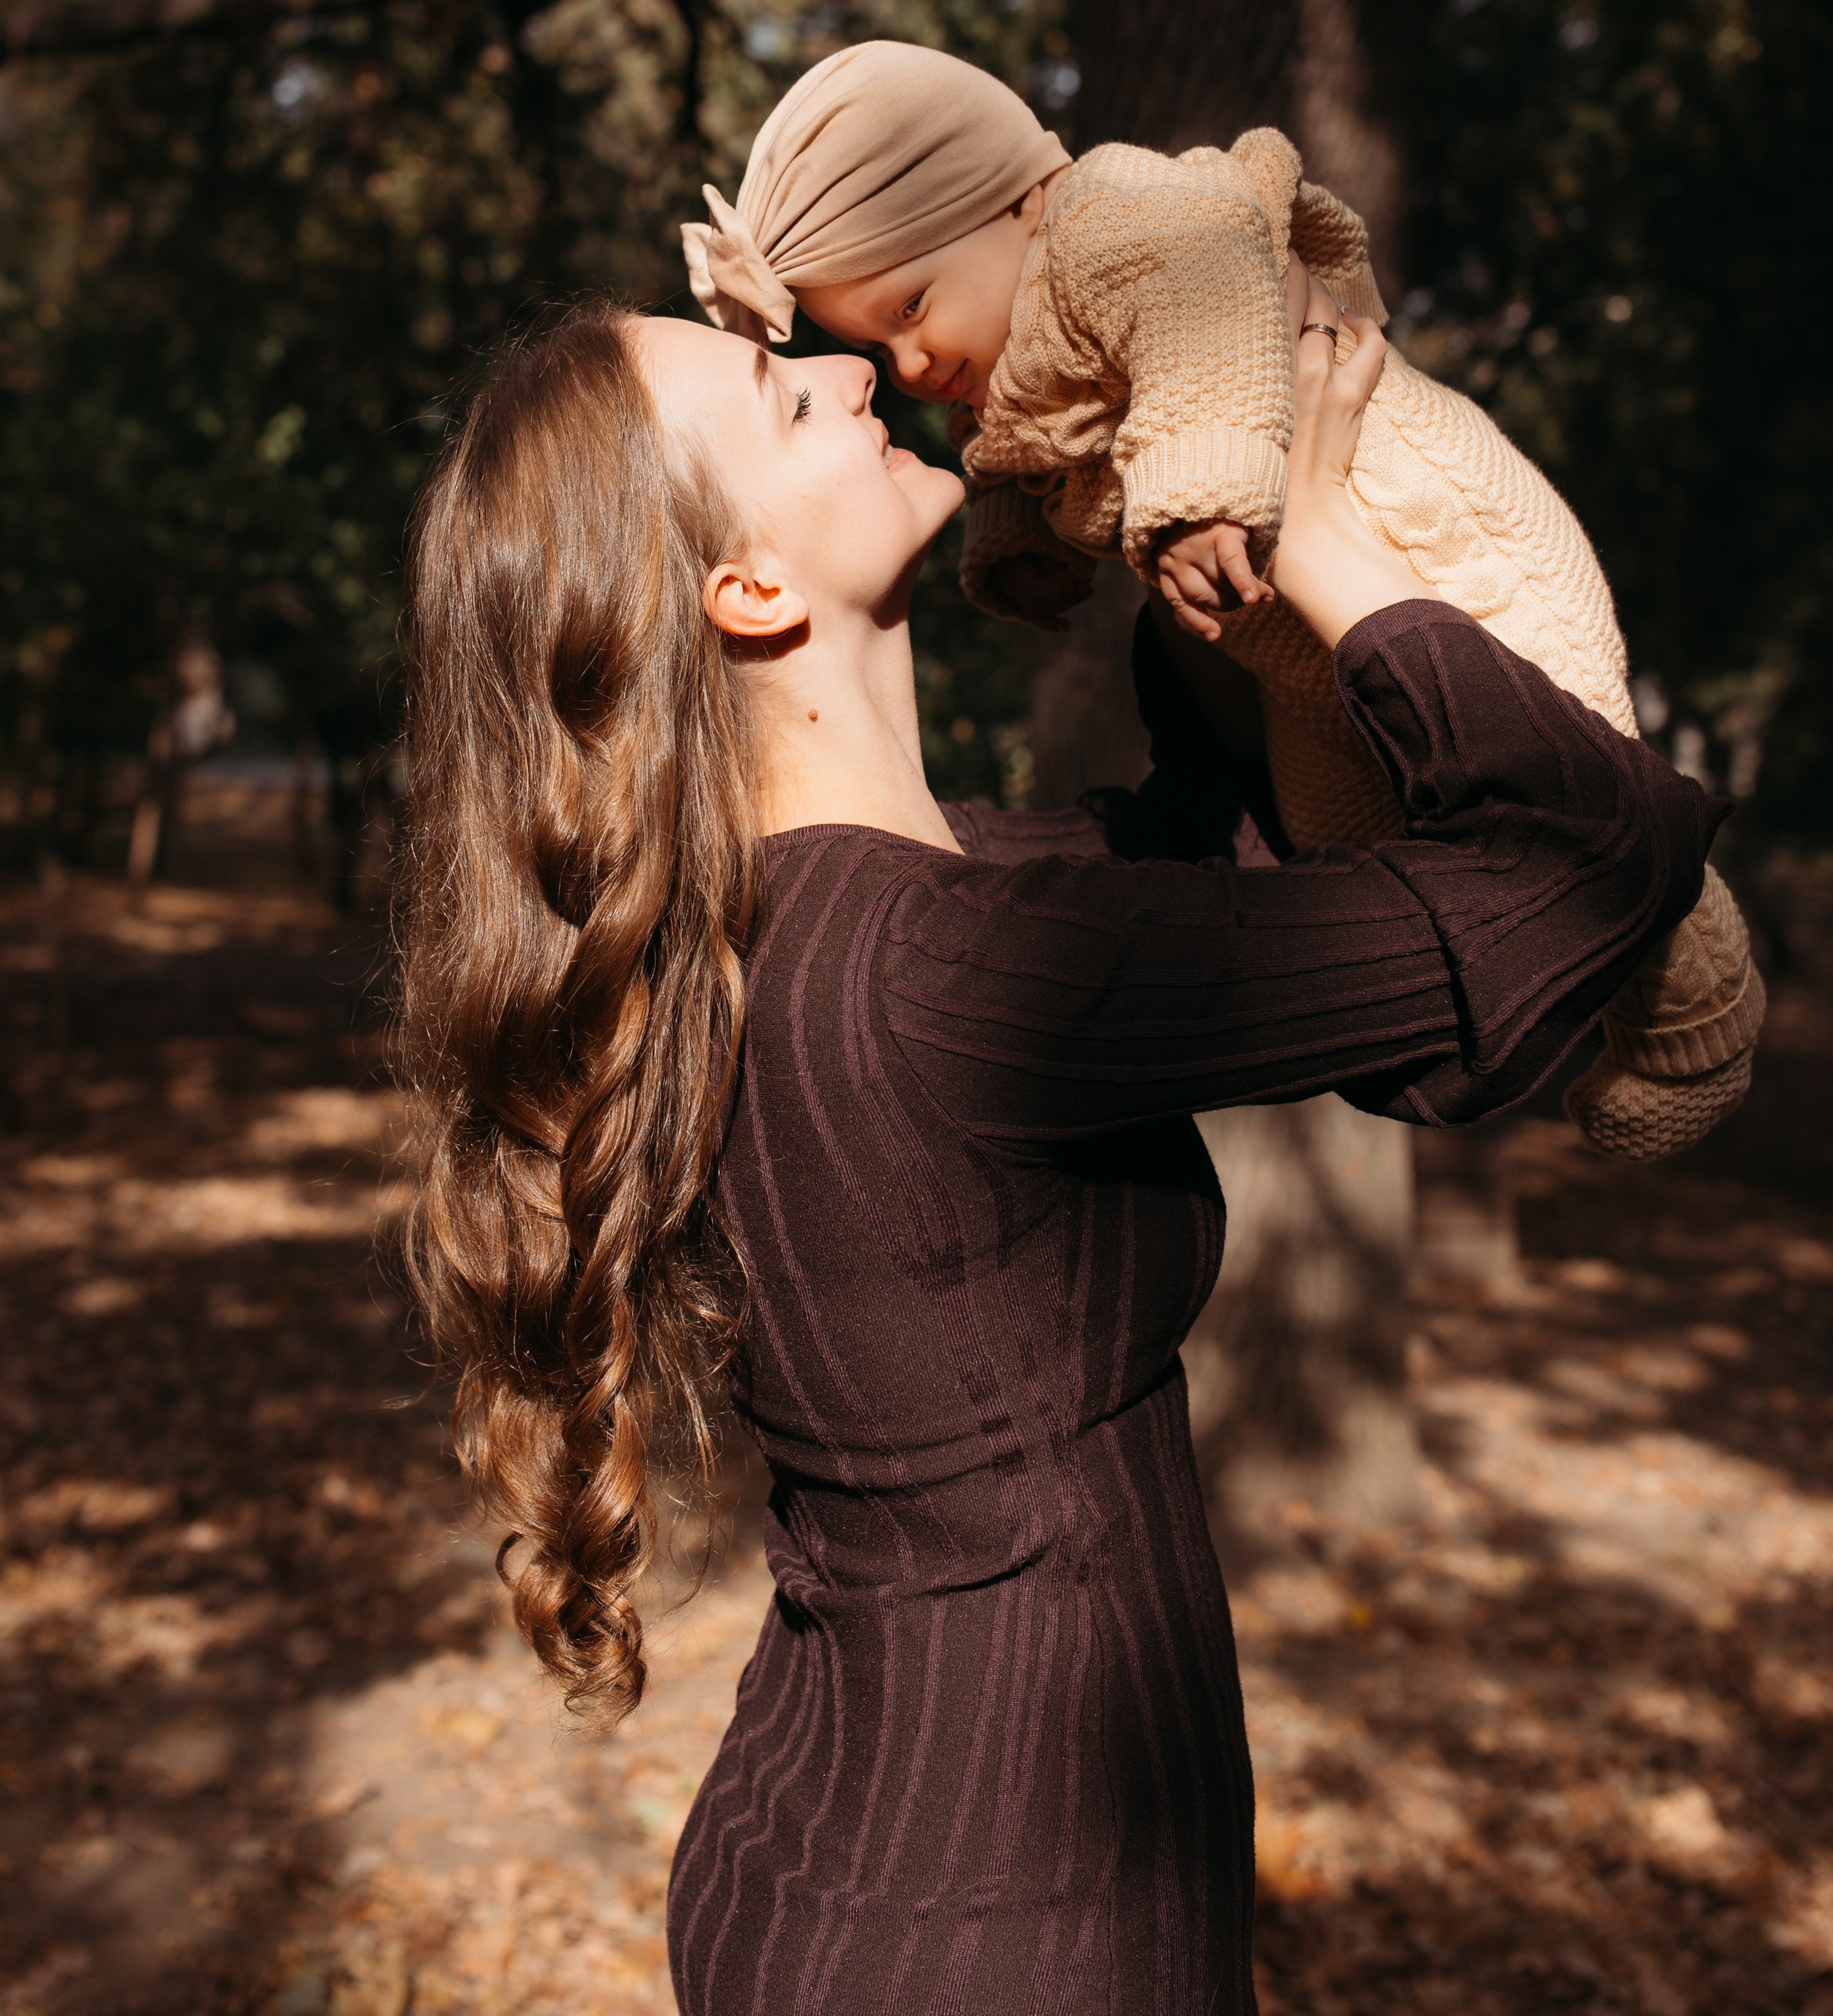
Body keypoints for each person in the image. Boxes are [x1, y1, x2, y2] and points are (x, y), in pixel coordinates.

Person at [397, 283, 1719, 2015]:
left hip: (842, 1869)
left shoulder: (803, 933)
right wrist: (1329, 549)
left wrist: (1194, 572)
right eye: (783, 400)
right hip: (1005, 1937)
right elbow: (1576, 877)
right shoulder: (939, 977)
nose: (849, 369)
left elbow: (1201, 854)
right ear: (748, 590)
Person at [682, 40, 1763, 1164]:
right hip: (1294, 642)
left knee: (1581, 771)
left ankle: (1694, 1012)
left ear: (1013, 202)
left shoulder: (1111, 217)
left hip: (1426, 537)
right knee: (1344, 844)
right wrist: (1019, 546)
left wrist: (1205, 503)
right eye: (873, 341)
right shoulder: (1007, 349)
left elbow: (1208, 333)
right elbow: (1018, 453)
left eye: (910, 308)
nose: (902, 367)